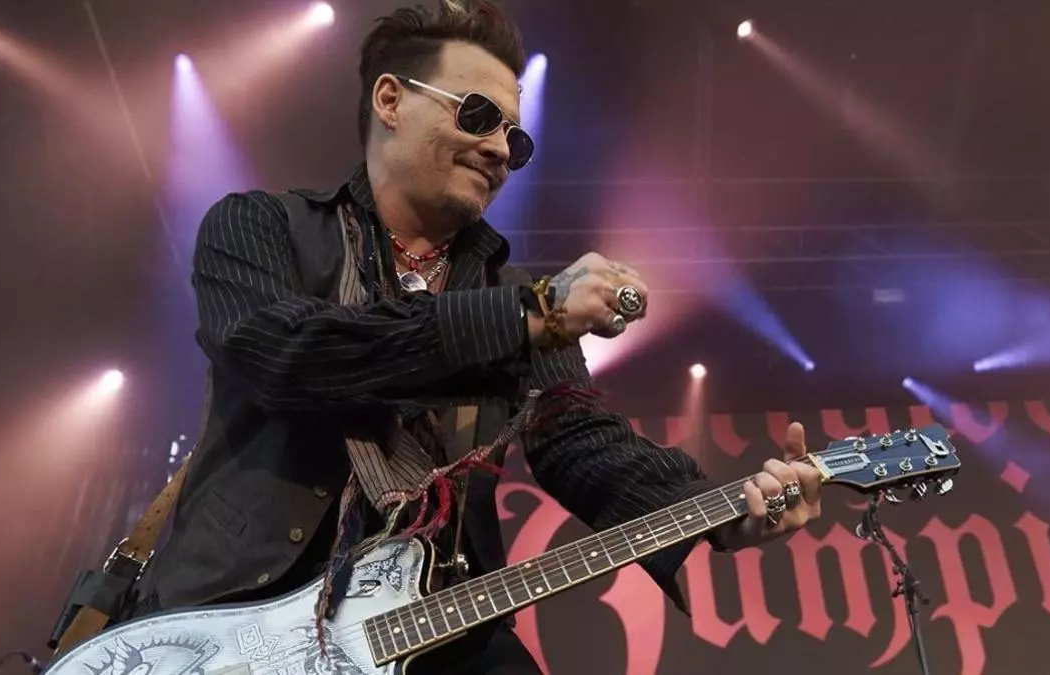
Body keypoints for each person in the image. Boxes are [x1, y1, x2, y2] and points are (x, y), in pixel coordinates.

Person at [133, 1, 824, 672]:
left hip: (434, 627)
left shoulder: (515, 294)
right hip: (228, 627)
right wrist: (523, 319)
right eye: (477, 115)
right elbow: (287, 354)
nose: (499, 149)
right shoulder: (258, 227)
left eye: (515, 139)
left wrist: (722, 515)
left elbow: (582, 443)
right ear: (390, 100)